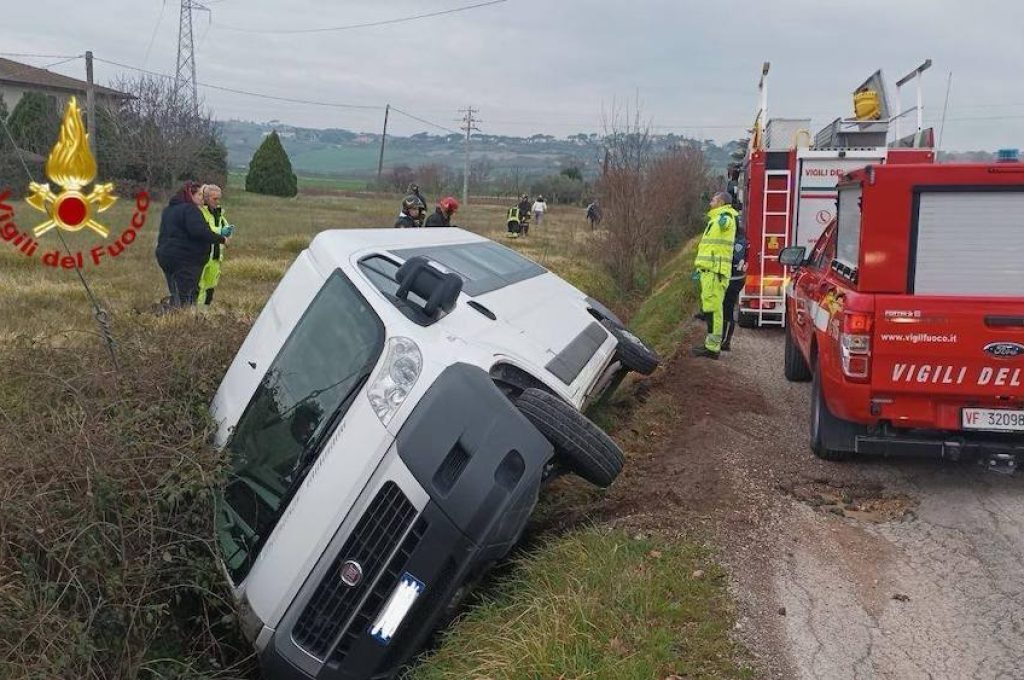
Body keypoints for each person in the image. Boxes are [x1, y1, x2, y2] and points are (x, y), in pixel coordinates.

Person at [155, 180, 228, 307]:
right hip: (186, 260)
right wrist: (221, 239)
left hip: (166, 256)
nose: (202, 198)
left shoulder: (169, 210)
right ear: (190, 195)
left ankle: (172, 317)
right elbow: (199, 231)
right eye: (199, 195)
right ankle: (184, 321)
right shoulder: (190, 210)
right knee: (187, 297)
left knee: (176, 292)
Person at [692, 192, 739, 359]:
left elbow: (726, 225)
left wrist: (723, 218)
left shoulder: (725, 216)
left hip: (715, 272)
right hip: (709, 271)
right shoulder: (714, 219)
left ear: (720, 202)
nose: (710, 203)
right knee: (710, 309)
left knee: (714, 310)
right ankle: (711, 345)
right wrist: (700, 269)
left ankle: (712, 348)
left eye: (713, 200)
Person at [197, 184, 235, 306]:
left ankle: (205, 312)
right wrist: (220, 232)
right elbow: (203, 230)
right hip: (202, 255)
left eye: (219, 198)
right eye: (215, 199)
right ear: (206, 198)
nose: (217, 202)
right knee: (199, 286)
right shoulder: (199, 213)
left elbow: (226, 230)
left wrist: (228, 233)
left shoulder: (220, 215)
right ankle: (195, 314)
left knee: (210, 287)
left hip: (216, 257)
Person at [721, 225, 748, 351]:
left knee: (726, 310)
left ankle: (724, 341)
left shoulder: (736, 241)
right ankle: (725, 340)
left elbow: (732, 259)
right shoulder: (742, 240)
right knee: (727, 309)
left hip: (732, 279)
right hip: (737, 279)